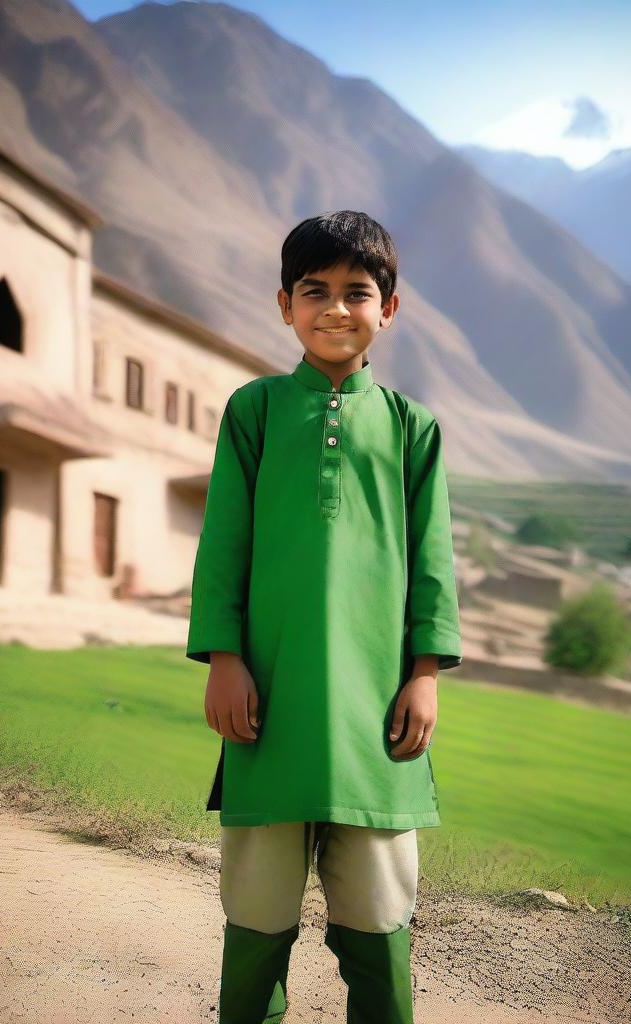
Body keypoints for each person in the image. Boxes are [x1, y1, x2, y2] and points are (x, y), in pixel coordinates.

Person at [186, 210, 462, 1024]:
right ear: (284, 305)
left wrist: (424, 676)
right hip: (266, 706)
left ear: (390, 309)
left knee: (379, 920)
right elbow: (223, 543)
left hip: (376, 717)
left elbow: (432, 563)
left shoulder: (414, 428)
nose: (336, 309)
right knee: (258, 913)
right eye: (316, 292)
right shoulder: (257, 411)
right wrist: (224, 657)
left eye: (357, 292)